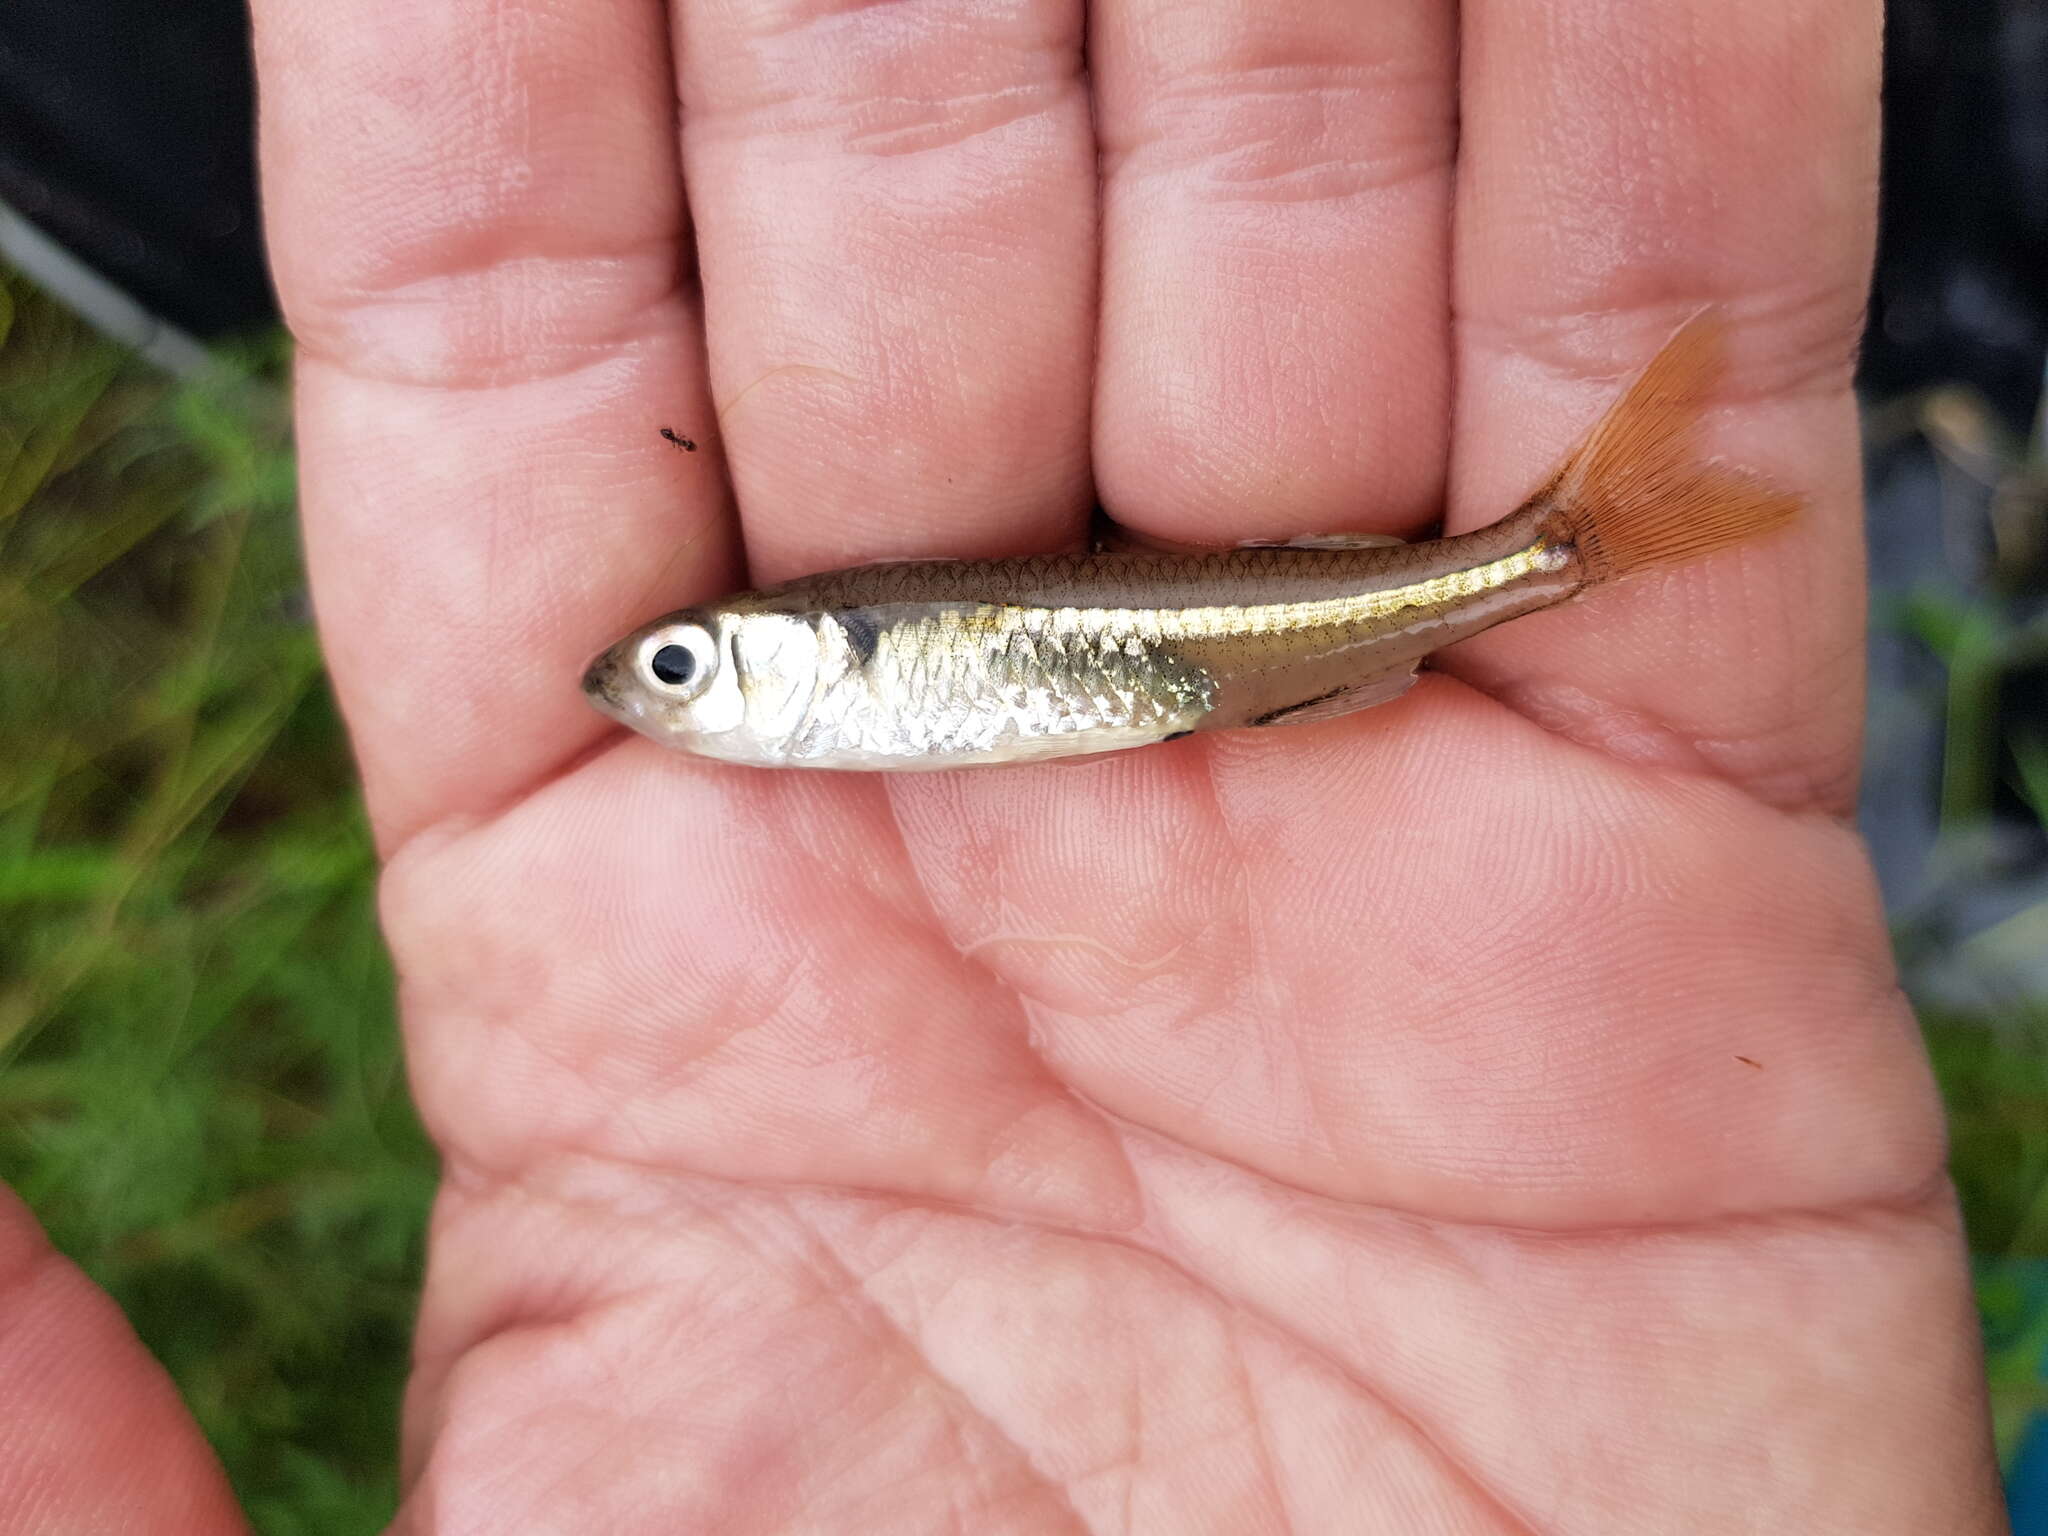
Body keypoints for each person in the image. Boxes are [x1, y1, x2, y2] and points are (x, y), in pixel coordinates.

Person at [0, 0, 2010, 1528]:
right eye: (676, 667)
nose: (653, 686)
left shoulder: (852, 661)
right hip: (1228, 640)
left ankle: (1561, 546)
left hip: (1225, 632)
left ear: (790, 661)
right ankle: (1559, 547)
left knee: (1495, 547)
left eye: (688, 664)